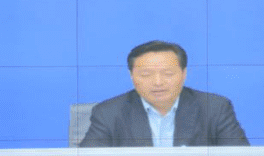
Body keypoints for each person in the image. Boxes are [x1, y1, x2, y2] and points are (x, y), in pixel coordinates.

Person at [79, 40, 249, 147]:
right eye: (146, 75)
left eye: (168, 74)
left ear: (184, 74)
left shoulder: (215, 108)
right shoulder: (109, 113)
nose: (158, 82)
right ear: (132, 76)